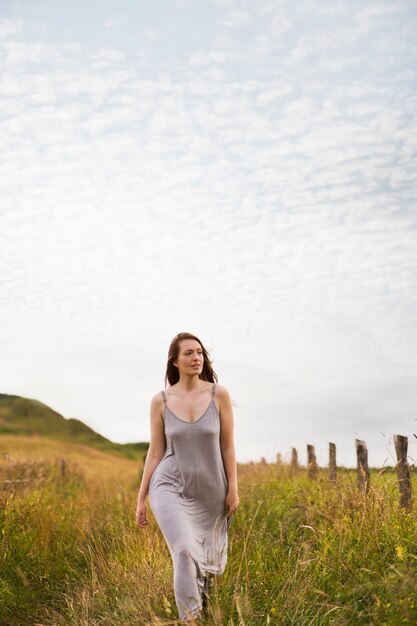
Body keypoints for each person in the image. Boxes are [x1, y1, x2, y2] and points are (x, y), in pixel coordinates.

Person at [135, 332, 239, 622]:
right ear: (175, 362)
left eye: (200, 353)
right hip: (169, 485)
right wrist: (141, 497)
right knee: (183, 550)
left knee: (204, 559)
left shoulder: (219, 394)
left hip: (211, 488)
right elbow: (155, 452)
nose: (196, 358)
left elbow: (228, 445)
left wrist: (234, 489)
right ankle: (189, 620)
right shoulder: (161, 401)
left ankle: (203, 608)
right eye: (189, 354)